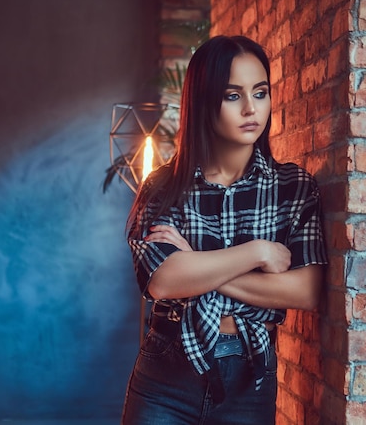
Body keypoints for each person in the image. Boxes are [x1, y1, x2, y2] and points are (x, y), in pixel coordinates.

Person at [120, 35, 328, 425]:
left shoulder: (294, 188)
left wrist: (197, 267)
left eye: (260, 92)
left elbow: (305, 290)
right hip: (166, 372)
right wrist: (257, 253)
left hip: (250, 379)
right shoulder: (164, 187)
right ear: (203, 102)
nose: (251, 109)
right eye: (233, 96)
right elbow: (162, 281)